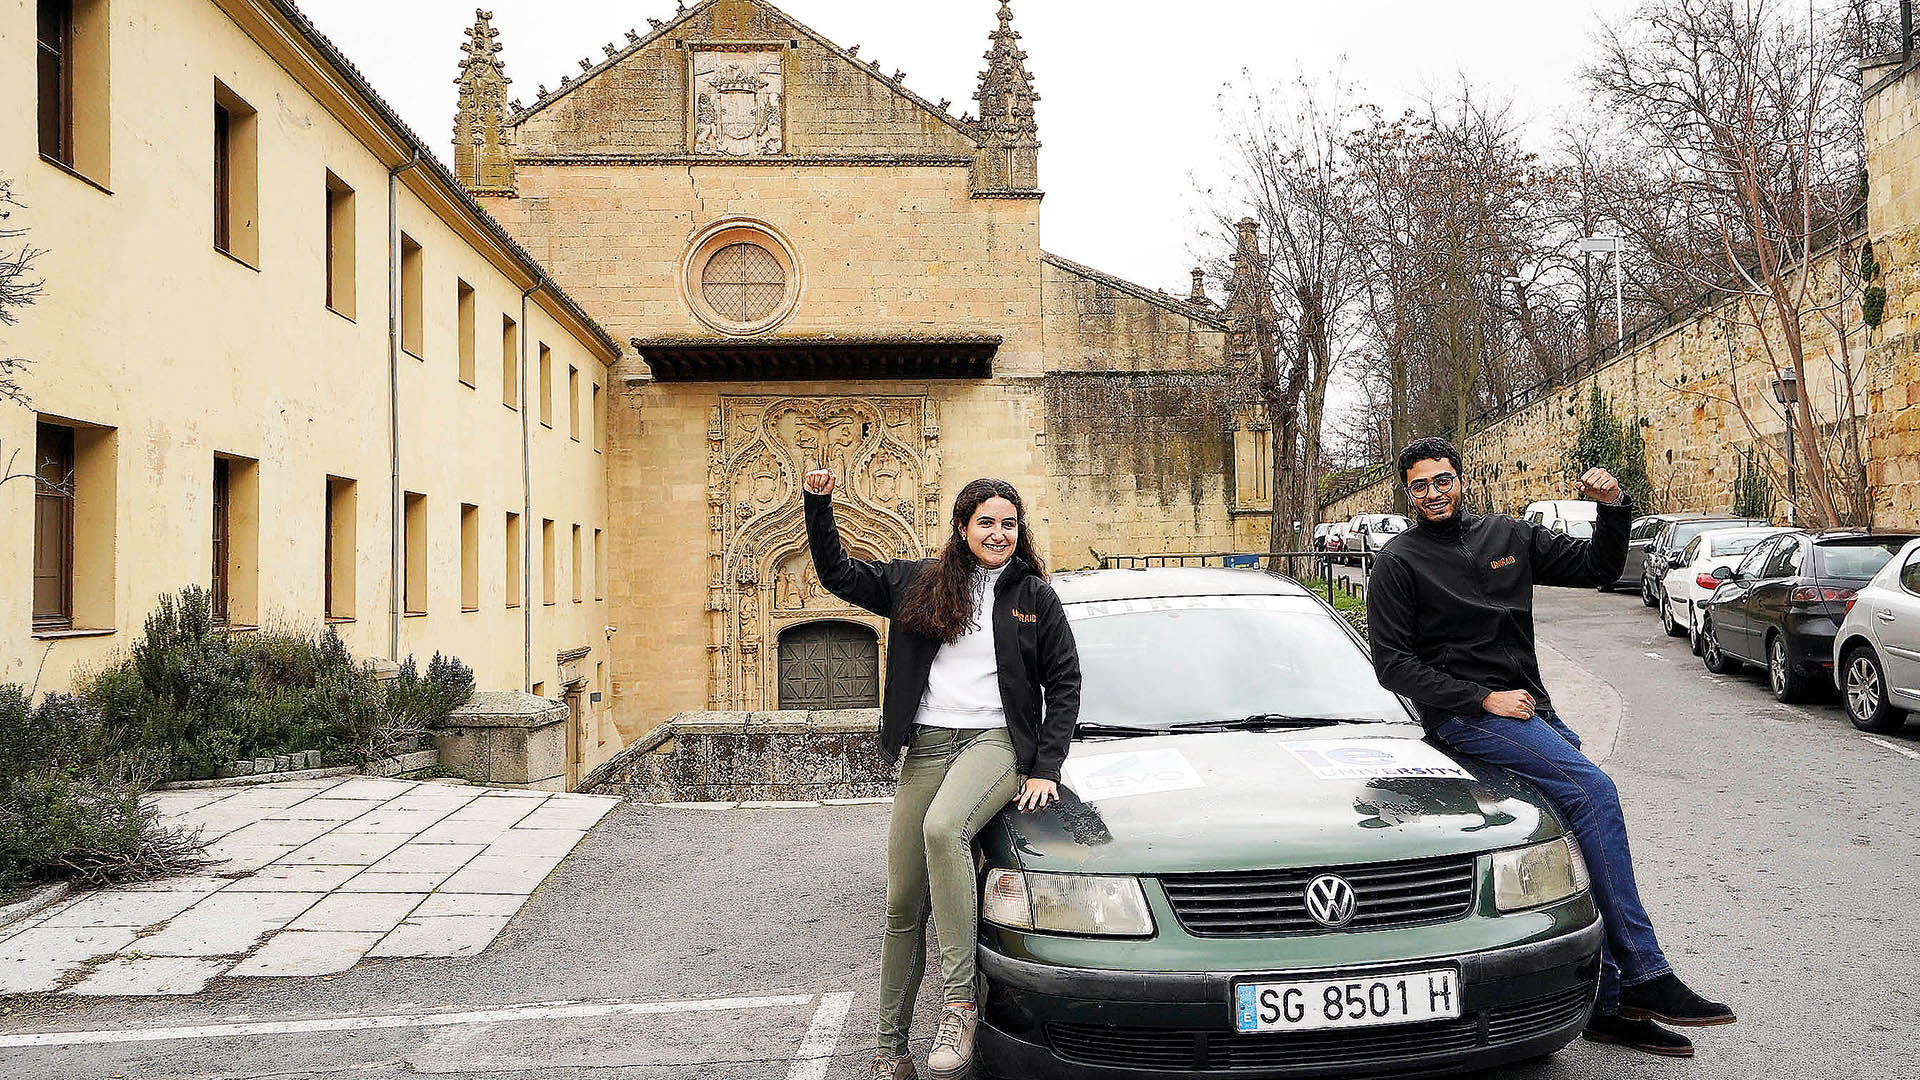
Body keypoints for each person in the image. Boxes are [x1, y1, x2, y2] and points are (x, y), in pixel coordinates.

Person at [1365, 436, 1736, 1060]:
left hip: (1532, 705)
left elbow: (1597, 568)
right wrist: (1480, 699)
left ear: (1463, 479)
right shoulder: (1399, 562)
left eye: (1444, 479)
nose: (1434, 493)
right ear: (1409, 491)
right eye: (1421, 484)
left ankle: (1607, 1005)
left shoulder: (1507, 537)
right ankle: (1646, 973)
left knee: (1577, 828)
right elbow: (1393, 666)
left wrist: (1613, 508)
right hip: (1467, 717)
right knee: (1594, 792)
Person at [803, 469, 1081, 1080]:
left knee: (943, 830)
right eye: (987, 522)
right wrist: (819, 505)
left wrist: (1045, 768)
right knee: (903, 902)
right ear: (961, 527)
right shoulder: (916, 583)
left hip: (996, 742)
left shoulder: (1034, 598)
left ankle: (958, 1004)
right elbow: (839, 575)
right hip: (927, 747)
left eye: (1009, 524)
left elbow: (1064, 683)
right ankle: (889, 1045)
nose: (1000, 534)